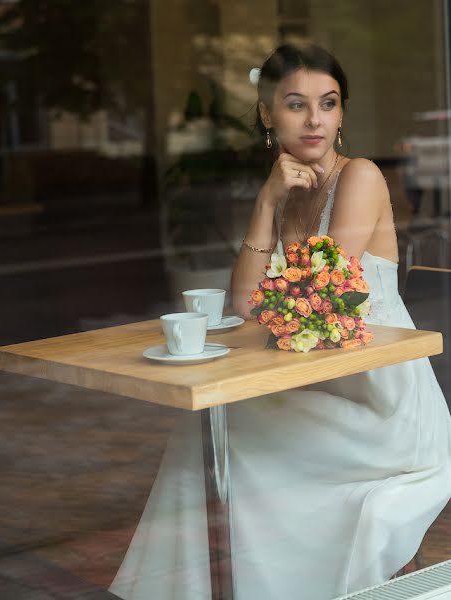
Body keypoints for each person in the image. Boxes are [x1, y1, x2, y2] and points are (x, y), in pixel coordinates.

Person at [110, 44, 451, 600]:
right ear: (269, 115)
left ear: (342, 114)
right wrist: (267, 202)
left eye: (328, 103)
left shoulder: (359, 177)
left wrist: (275, 302)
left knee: (223, 436)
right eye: (296, 104)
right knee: (207, 433)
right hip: (319, 386)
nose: (314, 119)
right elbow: (243, 301)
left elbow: (326, 296)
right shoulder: (285, 190)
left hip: (384, 406)